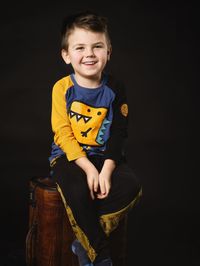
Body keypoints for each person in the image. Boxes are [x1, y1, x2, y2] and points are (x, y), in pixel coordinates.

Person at [49, 10, 142, 266]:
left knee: (131, 185)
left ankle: (83, 242)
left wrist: (107, 169)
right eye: (80, 47)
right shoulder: (62, 88)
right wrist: (88, 167)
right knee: (79, 189)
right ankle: (99, 255)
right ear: (66, 55)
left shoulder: (115, 88)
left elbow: (118, 132)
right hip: (69, 158)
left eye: (97, 46)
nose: (89, 54)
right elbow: (62, 132)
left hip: (106, 157)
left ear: (108, 52)